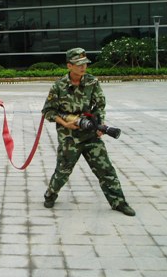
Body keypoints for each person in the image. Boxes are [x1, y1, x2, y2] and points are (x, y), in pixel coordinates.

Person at [42, 48, 135, 216]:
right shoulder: (59, 86)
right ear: (69, 65)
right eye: (79, 64)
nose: (83, 67)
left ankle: (118, 202)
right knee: (63, 171)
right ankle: (51, 193)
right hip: (69, 138)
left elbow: (99, 105)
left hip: (90, 134)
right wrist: (66, 123)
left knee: (105, 169)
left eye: (85, 64)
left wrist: (99, 125)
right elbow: (48, 112)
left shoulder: (92, 82)